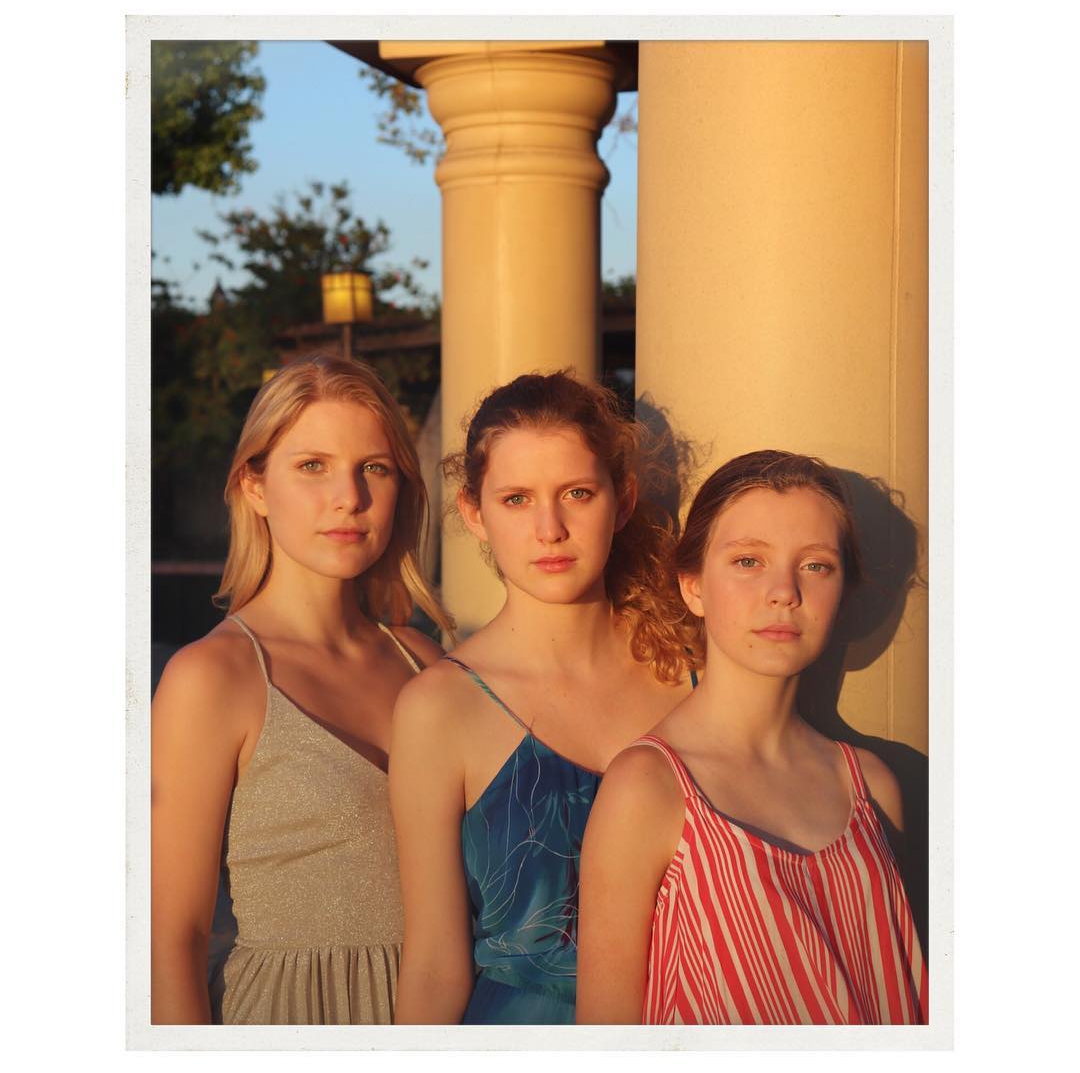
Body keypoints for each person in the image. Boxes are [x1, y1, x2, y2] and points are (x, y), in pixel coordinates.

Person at [151, 354, 452, 1025]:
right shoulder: (213, 678)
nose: (350, 496)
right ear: (255, 487)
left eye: (373, 467)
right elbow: (170, 940)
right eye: (312, 466)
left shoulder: (426, 666)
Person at [577, 450, 928, 1025]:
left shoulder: (873, 786)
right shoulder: (648, 788)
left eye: (816, 565)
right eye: (747, 561)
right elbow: (604, 1034)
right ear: (692, 586)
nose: (783, 591)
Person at [389, 371, 698, 1024]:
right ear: (474, 512)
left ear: (622, 501)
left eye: (577, 493)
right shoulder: (439, 707)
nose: (550, 528)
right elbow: (433, 965)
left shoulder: (693, 673)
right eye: (517, 499)